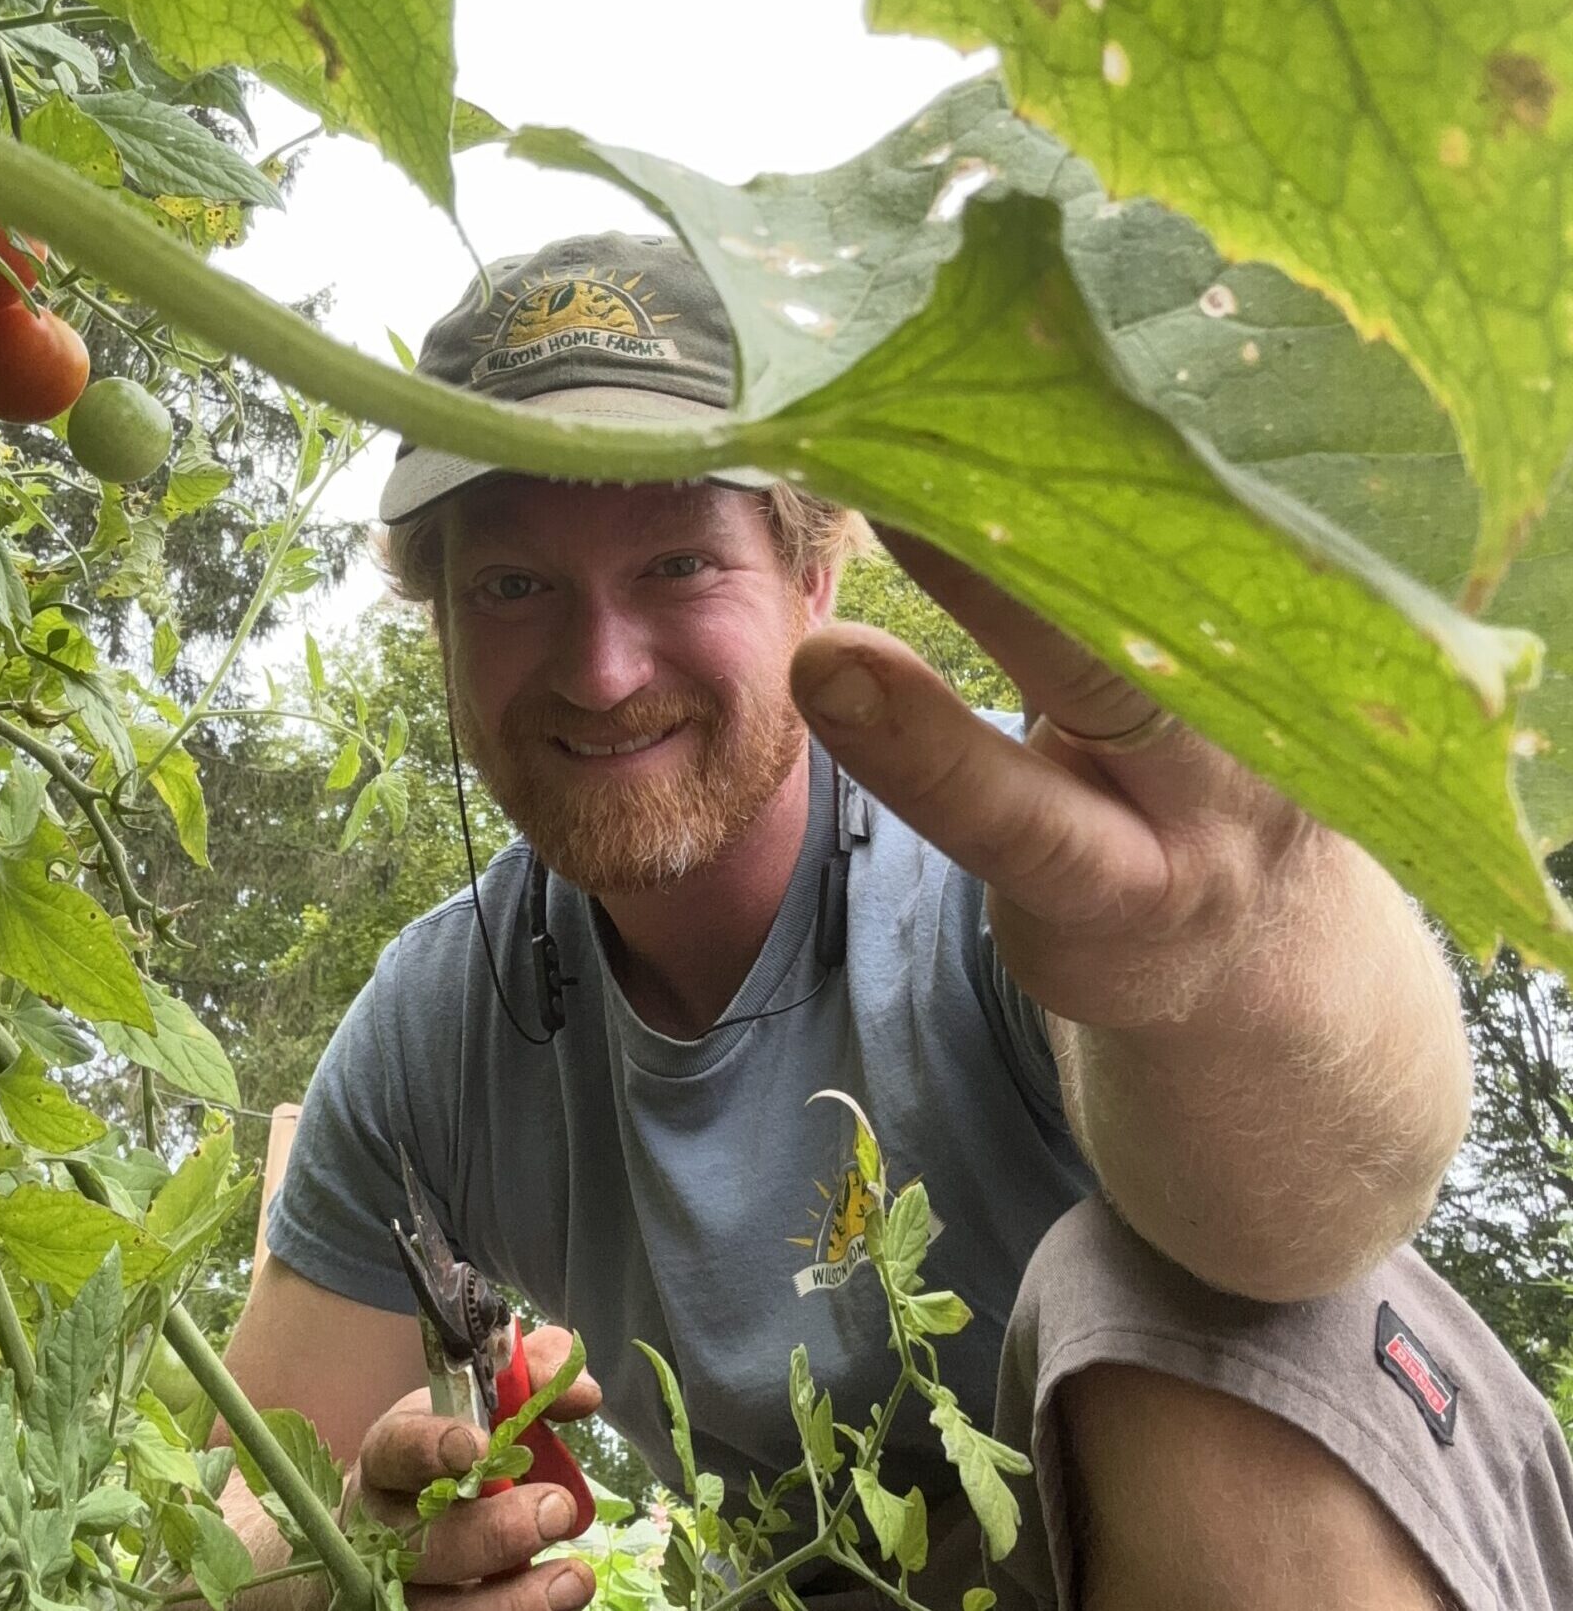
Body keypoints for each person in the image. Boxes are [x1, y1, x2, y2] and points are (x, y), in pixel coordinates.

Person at [213, 232, 1573, 1610]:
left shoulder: (1029, 862)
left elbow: (1311, 1216)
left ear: (815, 575)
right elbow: (222, 1538)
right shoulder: (440, 1033)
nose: (601, 665)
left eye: (679, 564)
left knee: (1158, 1294)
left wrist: (1232, 950)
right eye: (513, 586)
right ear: (440, 622)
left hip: (1359, 1525)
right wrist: (367, 1551)